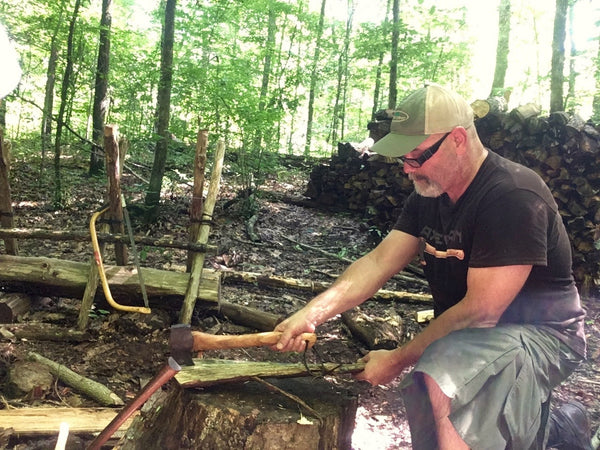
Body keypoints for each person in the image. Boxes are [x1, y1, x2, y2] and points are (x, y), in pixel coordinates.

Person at [274, 84, 589, 449]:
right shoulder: (429, 192)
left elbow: (480, 313)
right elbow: (378, 262)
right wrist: (313, 313)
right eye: (402, 159)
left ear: (458, 139)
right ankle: (555, 434)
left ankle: (544, 432)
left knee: (441, 375)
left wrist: (395, 360)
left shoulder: (512, 195)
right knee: (430, 383)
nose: (408, 170)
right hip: (475, 337)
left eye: (417, 157)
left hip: (544, 336)